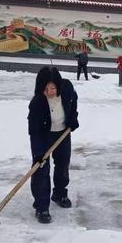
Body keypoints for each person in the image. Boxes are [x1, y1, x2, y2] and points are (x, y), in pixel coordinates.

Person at [28, 66, 79, 223]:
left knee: (63, 164)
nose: (50, 92)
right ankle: (41, 207)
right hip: (44, 135)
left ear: (59, 85)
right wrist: (38, 154)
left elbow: (73, 102)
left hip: (62, 133)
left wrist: (73, 118)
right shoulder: (37, 103)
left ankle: (59, 193)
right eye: (46, 88)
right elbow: (34, 131)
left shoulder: (67, 88)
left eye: (53, 87)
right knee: (41, 169)